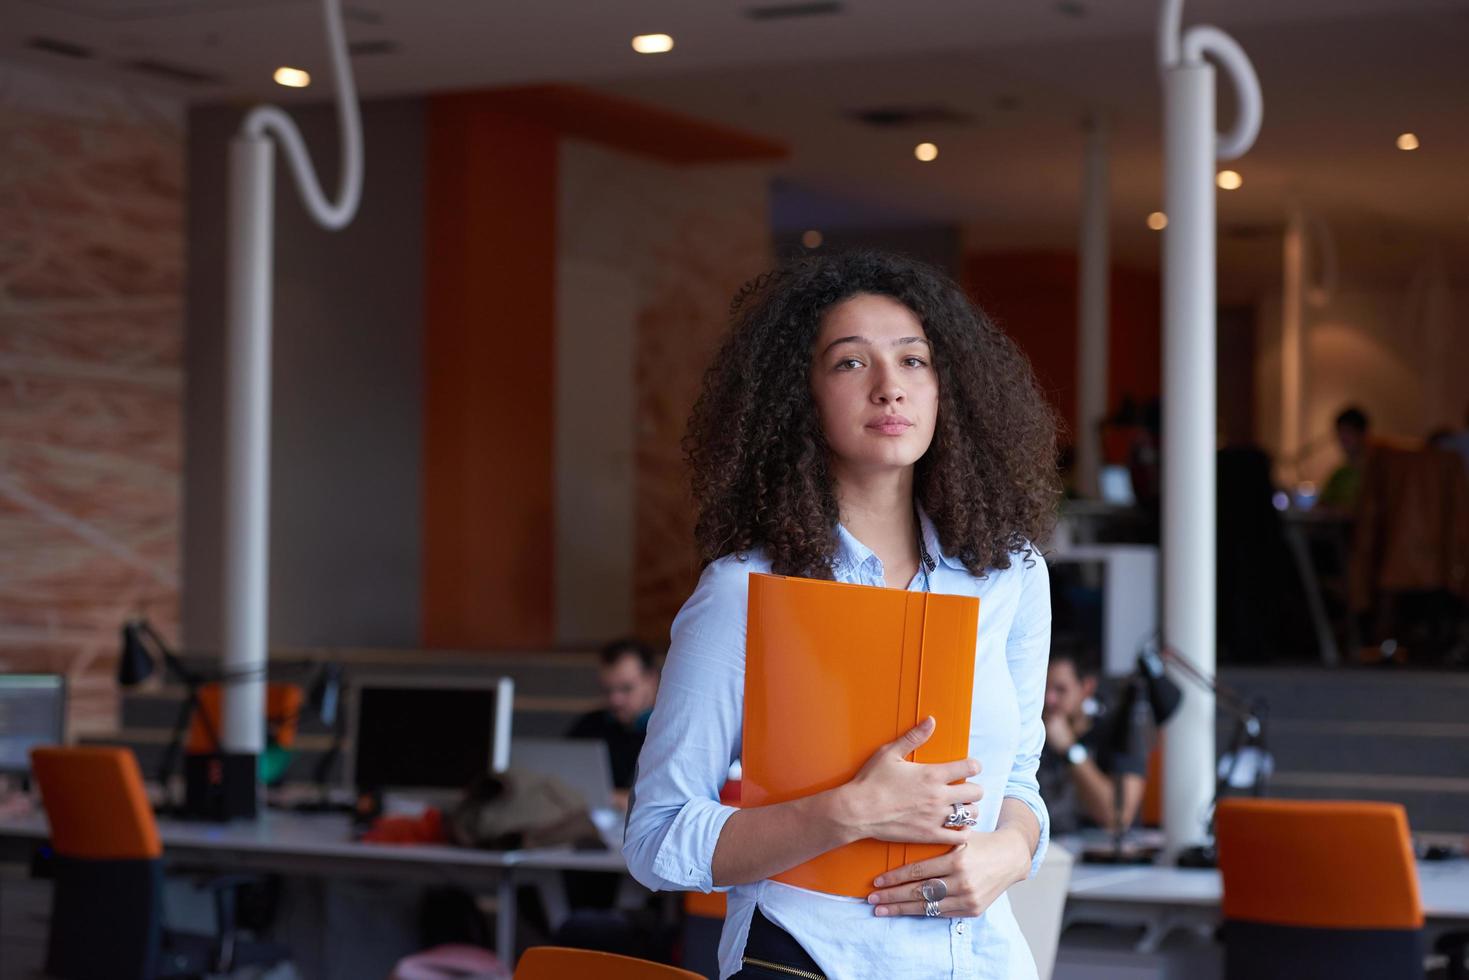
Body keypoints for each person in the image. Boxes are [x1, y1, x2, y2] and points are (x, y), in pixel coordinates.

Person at [623, 251, 1060, 979]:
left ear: (947, 387)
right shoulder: (745, 592)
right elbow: (657, 838)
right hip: (812, 957)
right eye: (850, 364)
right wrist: (847, 813)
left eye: (914, 361)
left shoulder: (1007, 576)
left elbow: (1016, 780)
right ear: (801, 397)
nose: (891, 388)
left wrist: (1009, 853)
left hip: (980, 959)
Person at [1036, 646, 1147, 835]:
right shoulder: (1033, 734)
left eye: (1060, 689)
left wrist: (1070, 749)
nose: (1049, 699)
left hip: (1098, 857)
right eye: (1044, 688)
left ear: (1087, 687)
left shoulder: (1116, 730)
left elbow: (1118, 817)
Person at [567, 638, 660, 810]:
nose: (615, 700)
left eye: (626, 688)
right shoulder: (589, 725)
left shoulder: (669, 731)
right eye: (607, 690)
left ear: (652, 680)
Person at [1320, 405, 1370, 511]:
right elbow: (1321, 505)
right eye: (1340, 432)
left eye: (1348, 432)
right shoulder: (1340, 474)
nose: (1342, 438)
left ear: (1362, 434)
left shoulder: (1377, 472)